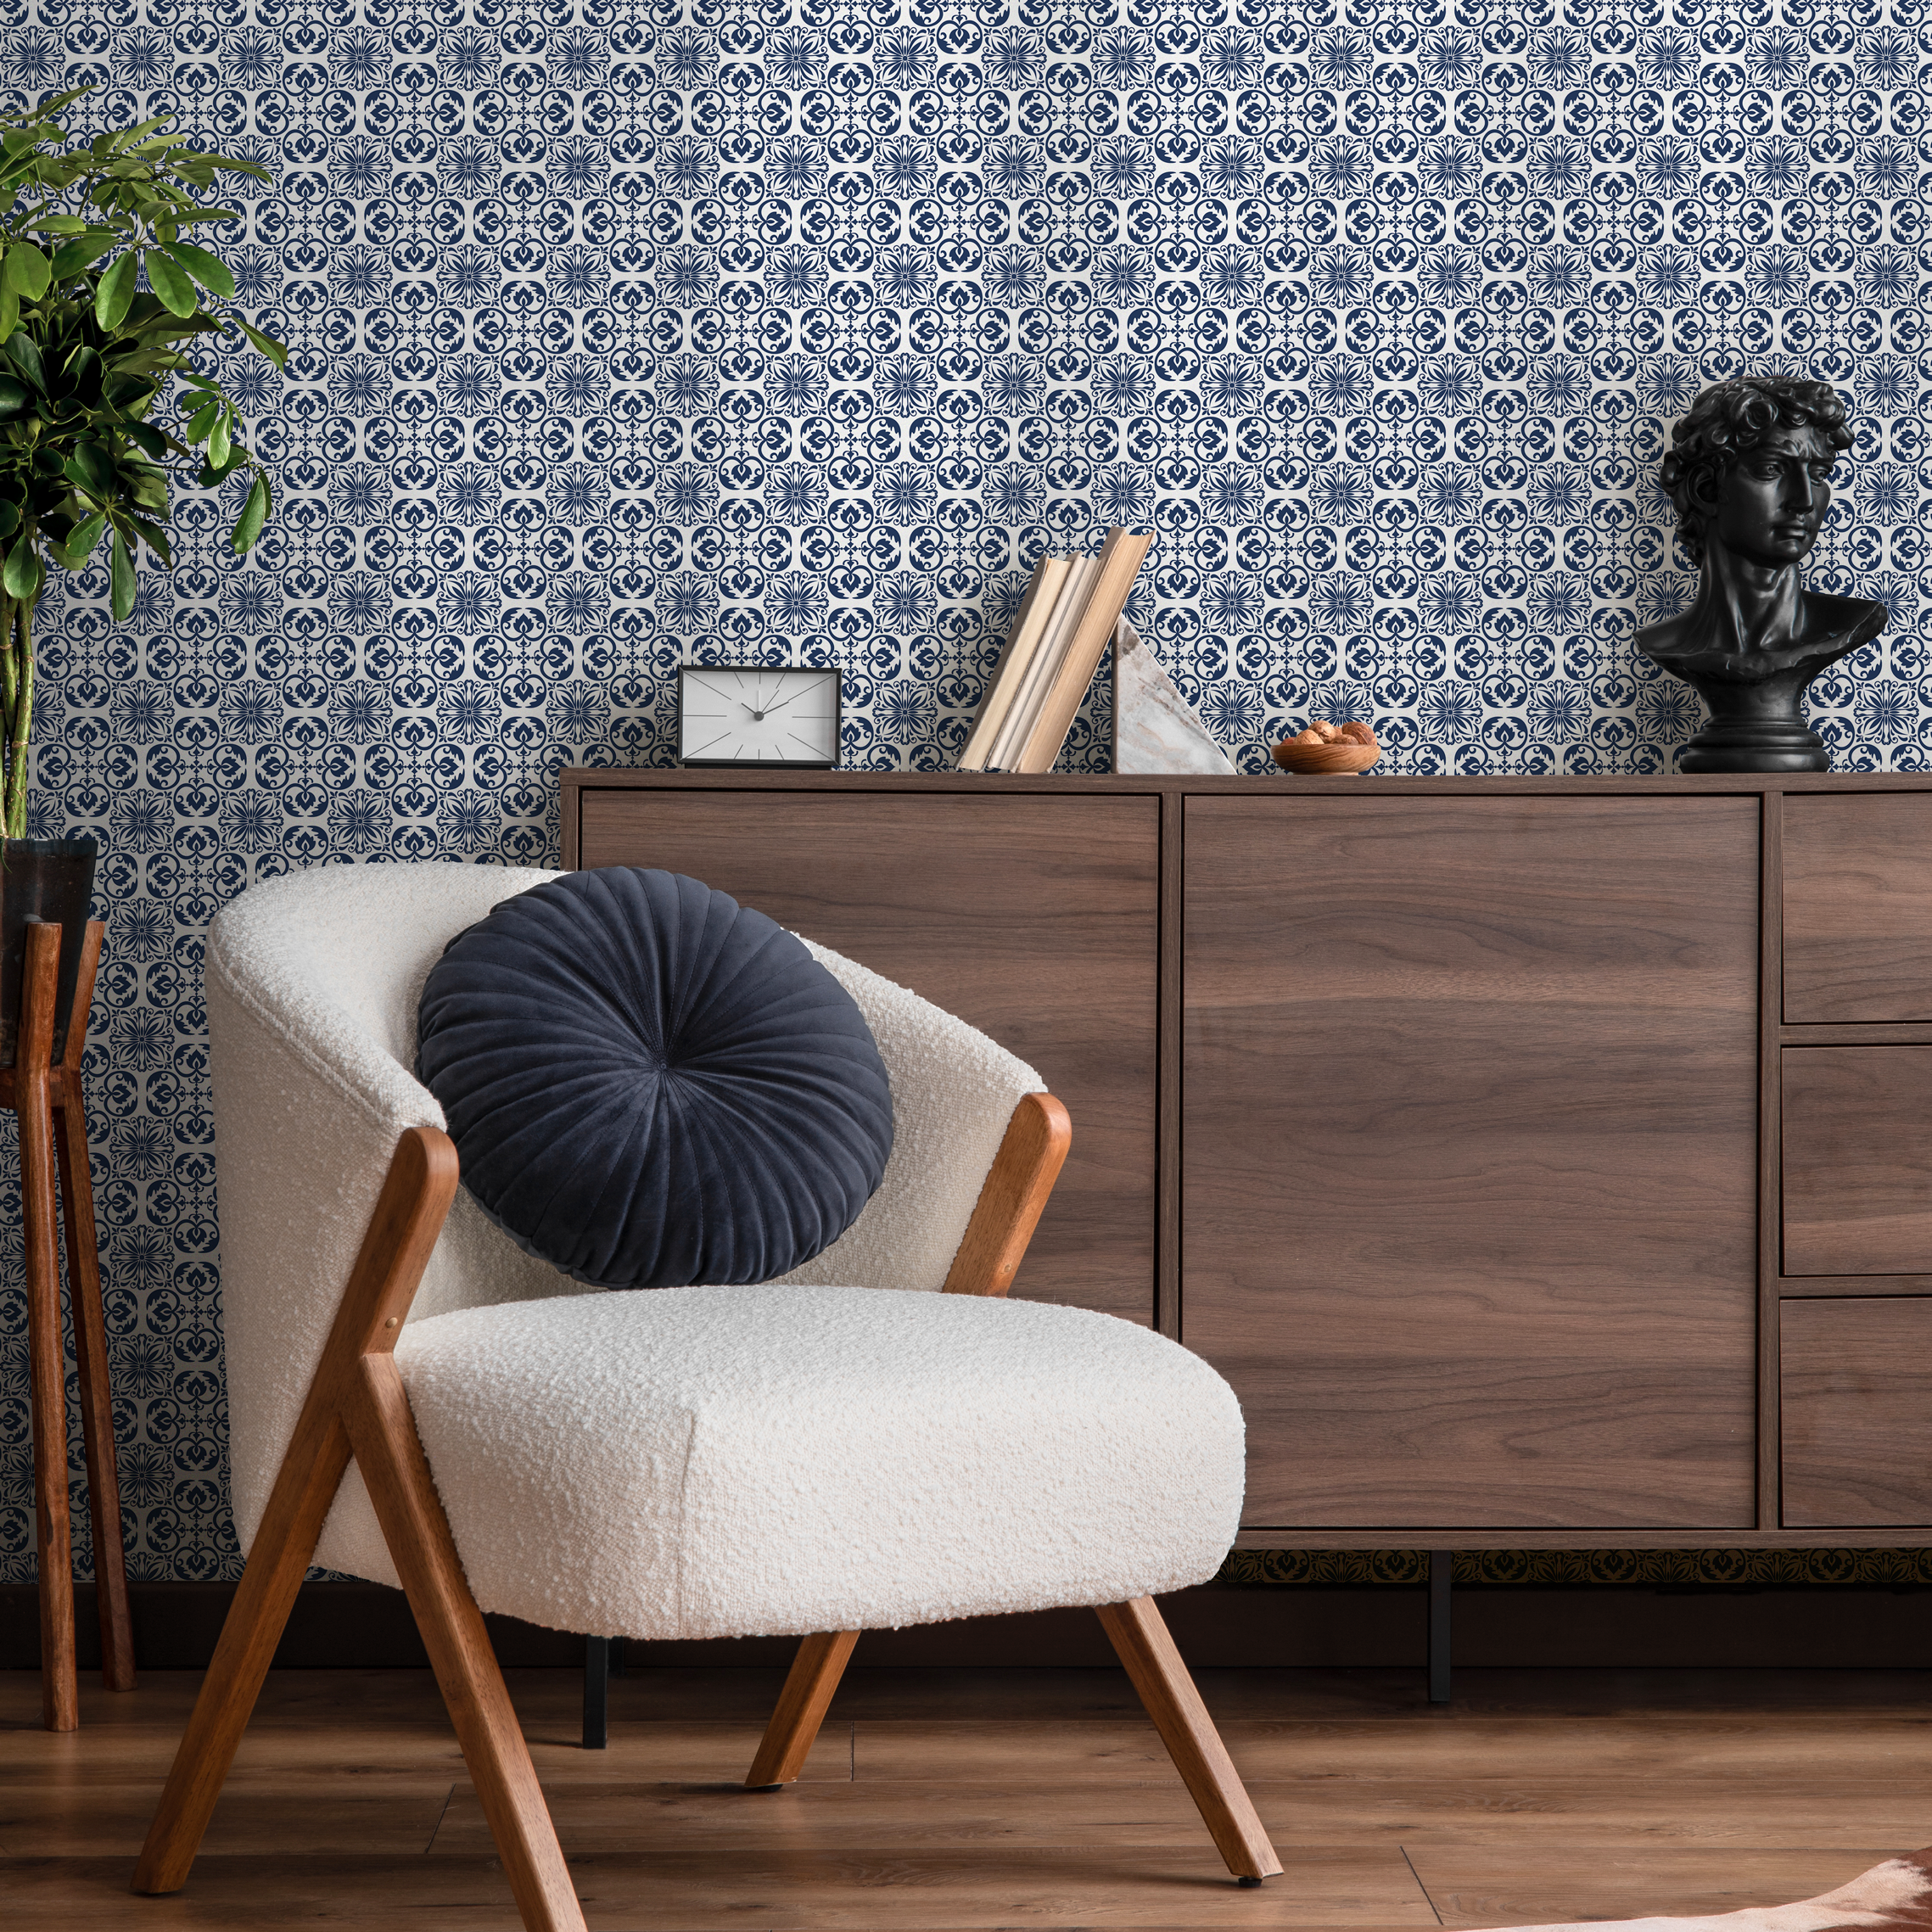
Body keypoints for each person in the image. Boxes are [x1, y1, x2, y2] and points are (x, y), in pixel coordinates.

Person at [1637, 375, 1885, 772]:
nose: (1804, 501)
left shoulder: (1849, 623)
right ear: (1706, 489)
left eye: (1819, 475)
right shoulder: (1666, 642)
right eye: (1772, 469)